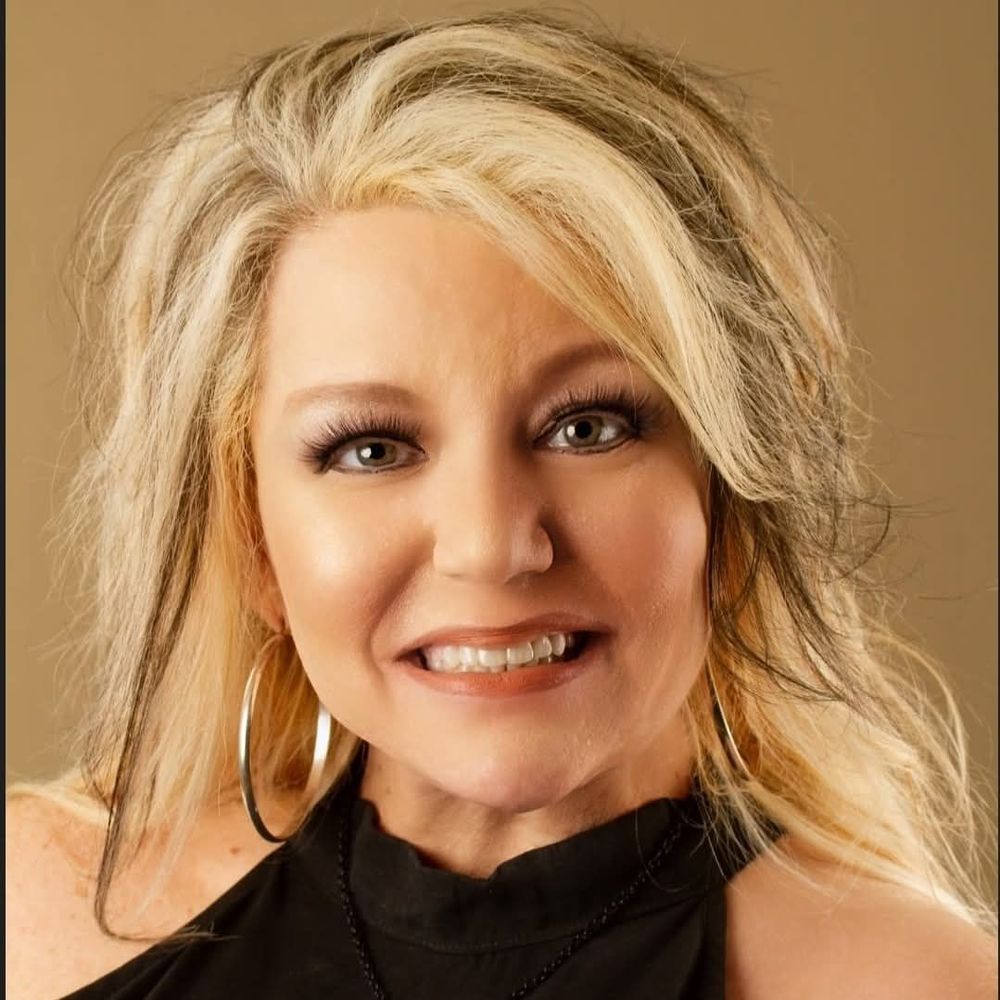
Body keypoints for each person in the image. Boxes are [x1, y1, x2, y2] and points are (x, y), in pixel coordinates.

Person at [6, 10, 996, 999]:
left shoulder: (906, 982)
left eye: (589, 428)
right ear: (254, 538)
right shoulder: (37, 920)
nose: (490, 545)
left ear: (729, 493)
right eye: (370, 448)